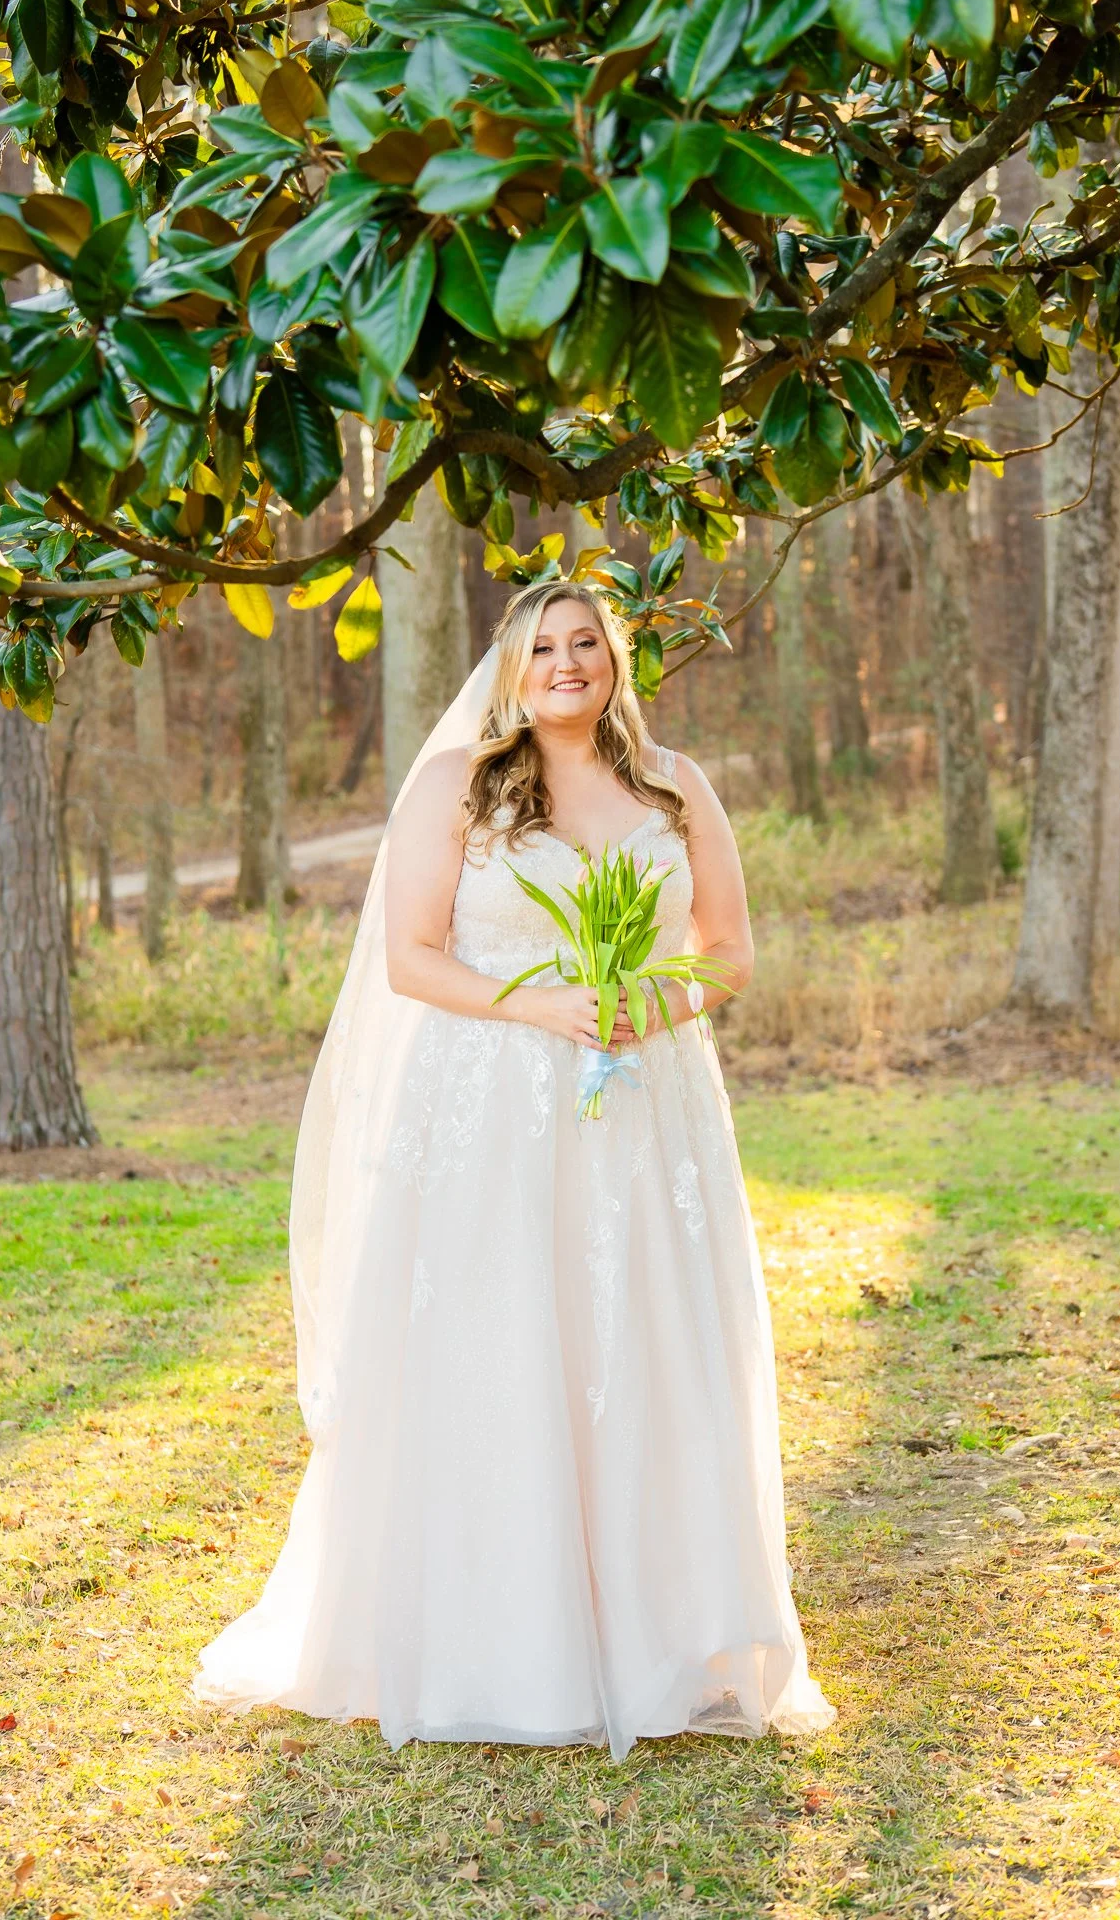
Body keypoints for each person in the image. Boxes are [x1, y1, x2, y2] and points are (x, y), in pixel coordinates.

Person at [191, 576, 835, 1759]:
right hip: (491, 1108)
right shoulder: (459, 785)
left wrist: (645, 1006)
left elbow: (730, 950)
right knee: (505, 1343)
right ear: (512, 666)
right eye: (543, 646)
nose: (566, 661)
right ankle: (500, 1640)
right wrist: (544, 1005)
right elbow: (411, 957)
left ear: (615, 658)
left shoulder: (675, 786)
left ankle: (662, 1631)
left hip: (647, 1108)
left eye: (586, 641)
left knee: (642, 1340)